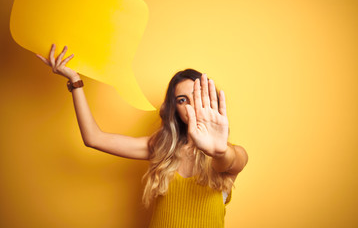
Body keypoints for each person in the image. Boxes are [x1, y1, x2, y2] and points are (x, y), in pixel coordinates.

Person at [36, 44, 248, 227]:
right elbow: (93, 138)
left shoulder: (229, 154)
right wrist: (75, 81)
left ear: (210, 100)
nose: (191, 106)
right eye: (182, 100)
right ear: (174, 108)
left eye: (197, 97)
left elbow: (228, 160)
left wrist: (219, 151)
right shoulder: (162, 148)